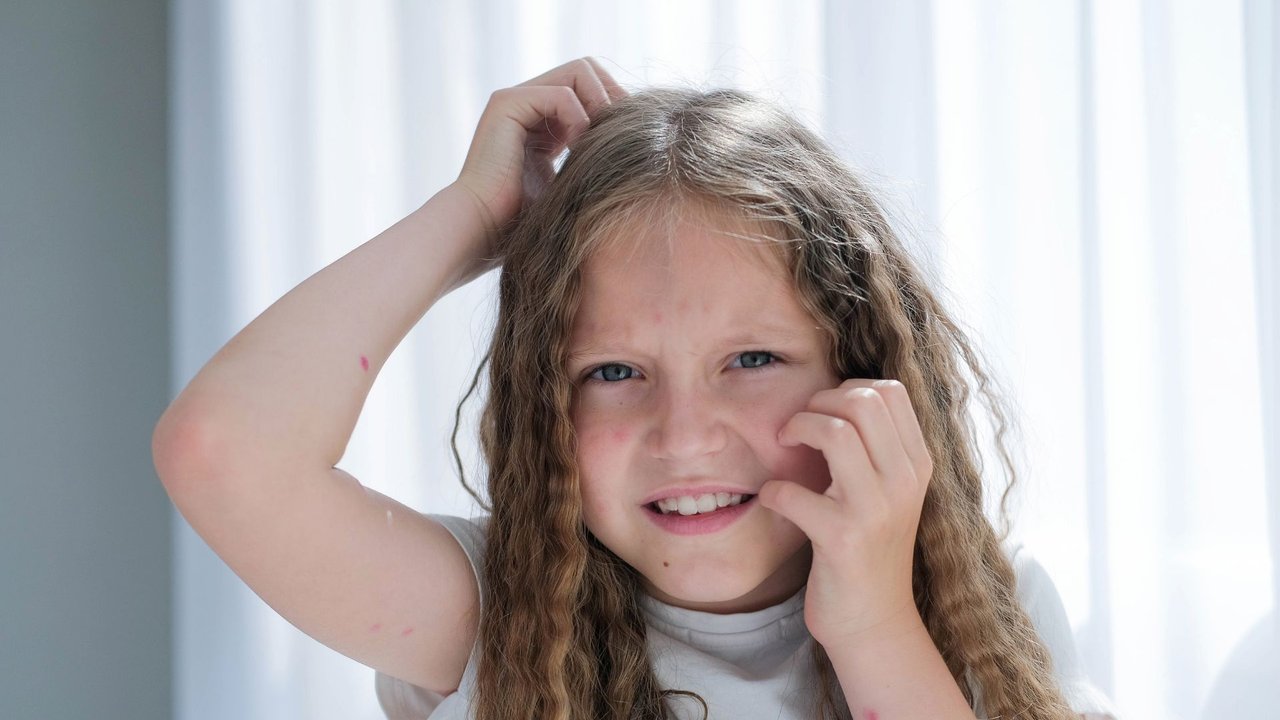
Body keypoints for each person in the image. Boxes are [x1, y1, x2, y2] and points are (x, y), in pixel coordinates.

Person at [152, 58, 1120, 720]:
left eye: (750, 361)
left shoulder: (979, 613)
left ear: (860, 375)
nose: (682, 432)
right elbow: (222, 452)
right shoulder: (493, 617)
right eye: (613, 373)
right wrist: (473, 218)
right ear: (543, 406)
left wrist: (871, 622)